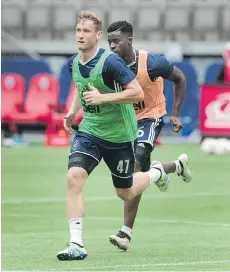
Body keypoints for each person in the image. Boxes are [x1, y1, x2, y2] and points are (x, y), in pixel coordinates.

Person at [56, 11, 170, 261]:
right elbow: (80, 86)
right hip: (90, 131)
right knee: (73, 178)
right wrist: (72, 112)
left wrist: (103, 97)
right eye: (78, 31)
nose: (80, 35)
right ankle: (76, 244)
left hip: (119, 135)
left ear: (98, 35)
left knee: (125, 192)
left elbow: (137, 93)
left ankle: (156, 172)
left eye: (86, 31)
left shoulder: (111, 62)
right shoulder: (73, 62)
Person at [107, 21, 192, 251]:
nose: (112, 46)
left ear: (130, 40)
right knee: (139, 174)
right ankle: (170, 167)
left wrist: (175, 114)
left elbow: (180, 78)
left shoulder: (152, 62)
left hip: (151, 116)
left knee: (136, 162)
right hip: (127, 123)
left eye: (117, 41)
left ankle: (125, 234)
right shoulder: (109, 65)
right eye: (110, 42)